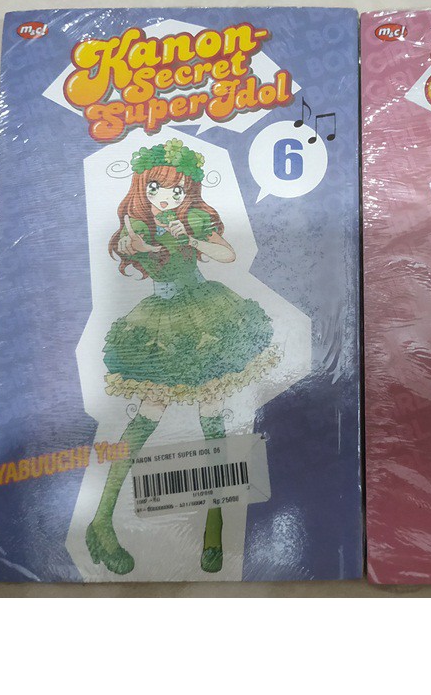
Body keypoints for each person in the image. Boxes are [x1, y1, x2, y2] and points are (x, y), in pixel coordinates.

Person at [86, 138, 279, 575]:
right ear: (143, 187)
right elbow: (126, 249)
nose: (165, 197)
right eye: (156, 188)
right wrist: (140, 249)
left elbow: (226, 253)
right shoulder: (135, 223)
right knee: (149, 412)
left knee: (212, 410)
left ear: (187, 191)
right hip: (161, 322)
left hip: (205, 313)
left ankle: (214, 527)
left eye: (175, 190)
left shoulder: (191, 218)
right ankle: (100, 522)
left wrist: (189, 237)